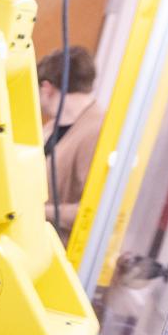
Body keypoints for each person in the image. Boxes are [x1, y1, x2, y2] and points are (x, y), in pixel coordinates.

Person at [38, 46, 103, 240]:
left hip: (61, 248)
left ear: (47, 88)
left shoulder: (97, 131)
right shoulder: (53, 125)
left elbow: (91, 209)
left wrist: (34, 211)